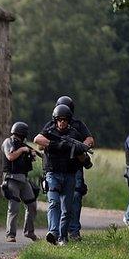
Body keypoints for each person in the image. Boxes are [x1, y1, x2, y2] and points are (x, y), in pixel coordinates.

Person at [34, 104, 89, 246]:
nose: (62, 122)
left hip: (69, 174)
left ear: (68, 120)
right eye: (59, 119)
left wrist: (78, 150)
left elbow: (83, 157)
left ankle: (62, 237)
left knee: (67, 208)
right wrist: (57, 145)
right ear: (56, 120)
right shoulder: (50, 130)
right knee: (54, 202)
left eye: (64, 120)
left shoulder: (75, 135)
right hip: (53, 173)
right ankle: (53, 232)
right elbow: (37, 140)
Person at [54, 95, 95, 241]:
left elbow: (90, 139)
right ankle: (57, 232)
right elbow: (41, 141)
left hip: (74, 166)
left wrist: (79, 146)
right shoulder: (53, 125)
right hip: (56, 166)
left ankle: (74, 230)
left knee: (76, 196)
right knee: (56, 200)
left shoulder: (78, 124)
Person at [1, 122, 38, 242]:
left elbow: (31, 160)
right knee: (14, 206)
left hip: (23, 178)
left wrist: (31, 154)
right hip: (12, 178)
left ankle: (29, 232)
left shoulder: (24, 145)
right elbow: (10, 157)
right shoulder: (8, 142)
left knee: (32, 204)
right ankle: (10, 234)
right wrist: (23, 150)